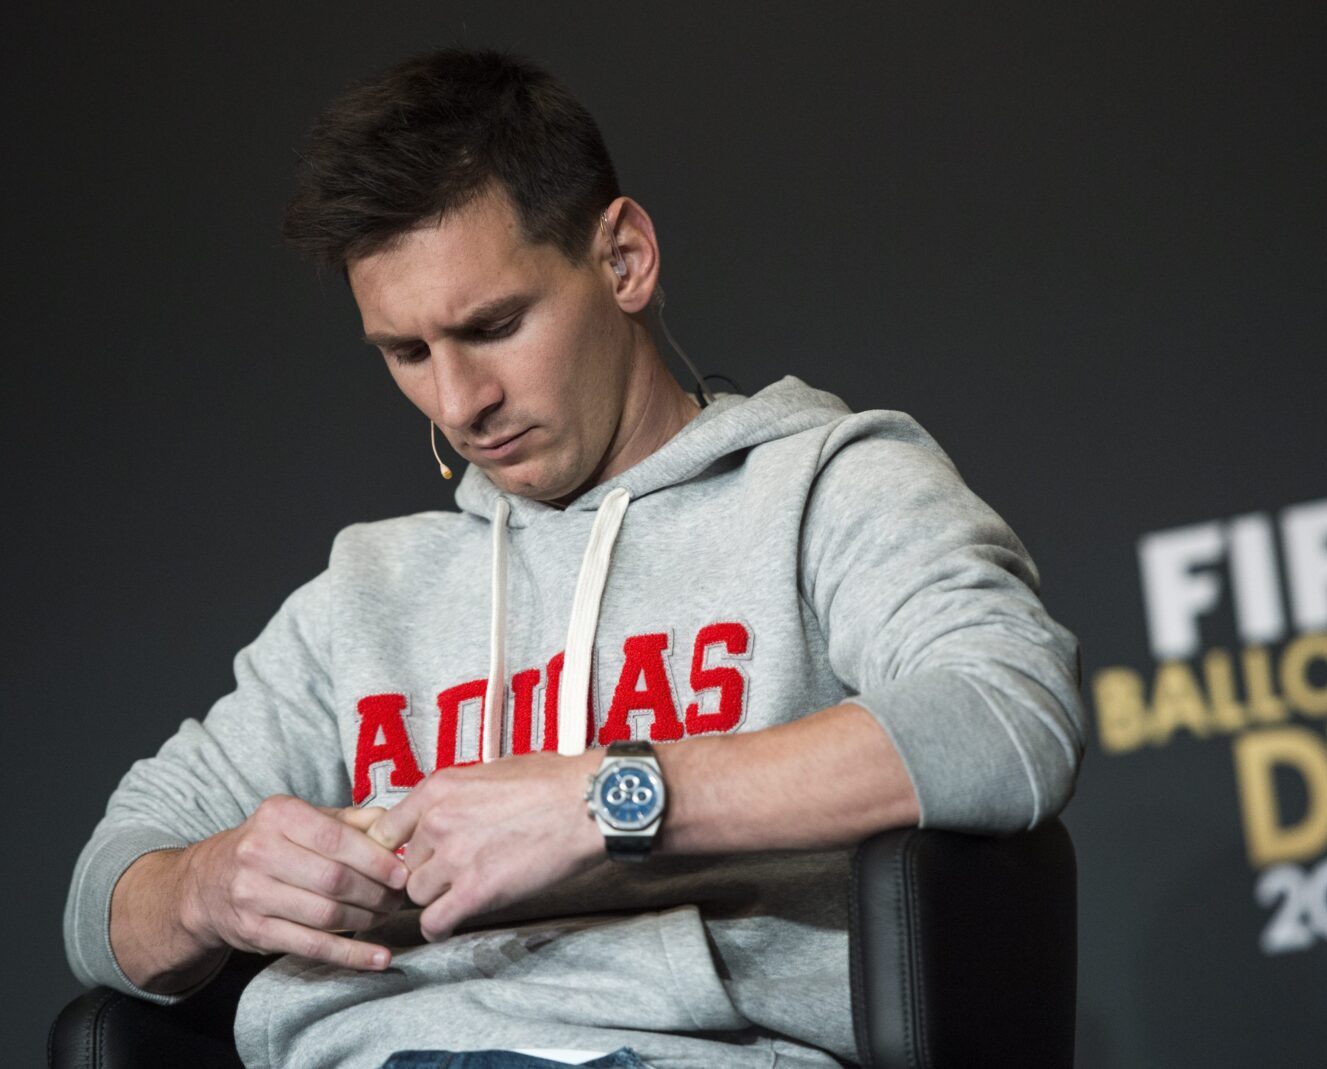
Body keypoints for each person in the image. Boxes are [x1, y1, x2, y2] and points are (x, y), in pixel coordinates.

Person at [64, 48, 1085, 1069]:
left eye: (493, 326)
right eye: (407, 353)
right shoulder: (365, 592)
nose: (459, 404)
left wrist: (609, 799)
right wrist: (210, 884)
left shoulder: (821, 486)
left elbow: (1008, 712)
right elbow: (104, 891)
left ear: (624, 259)